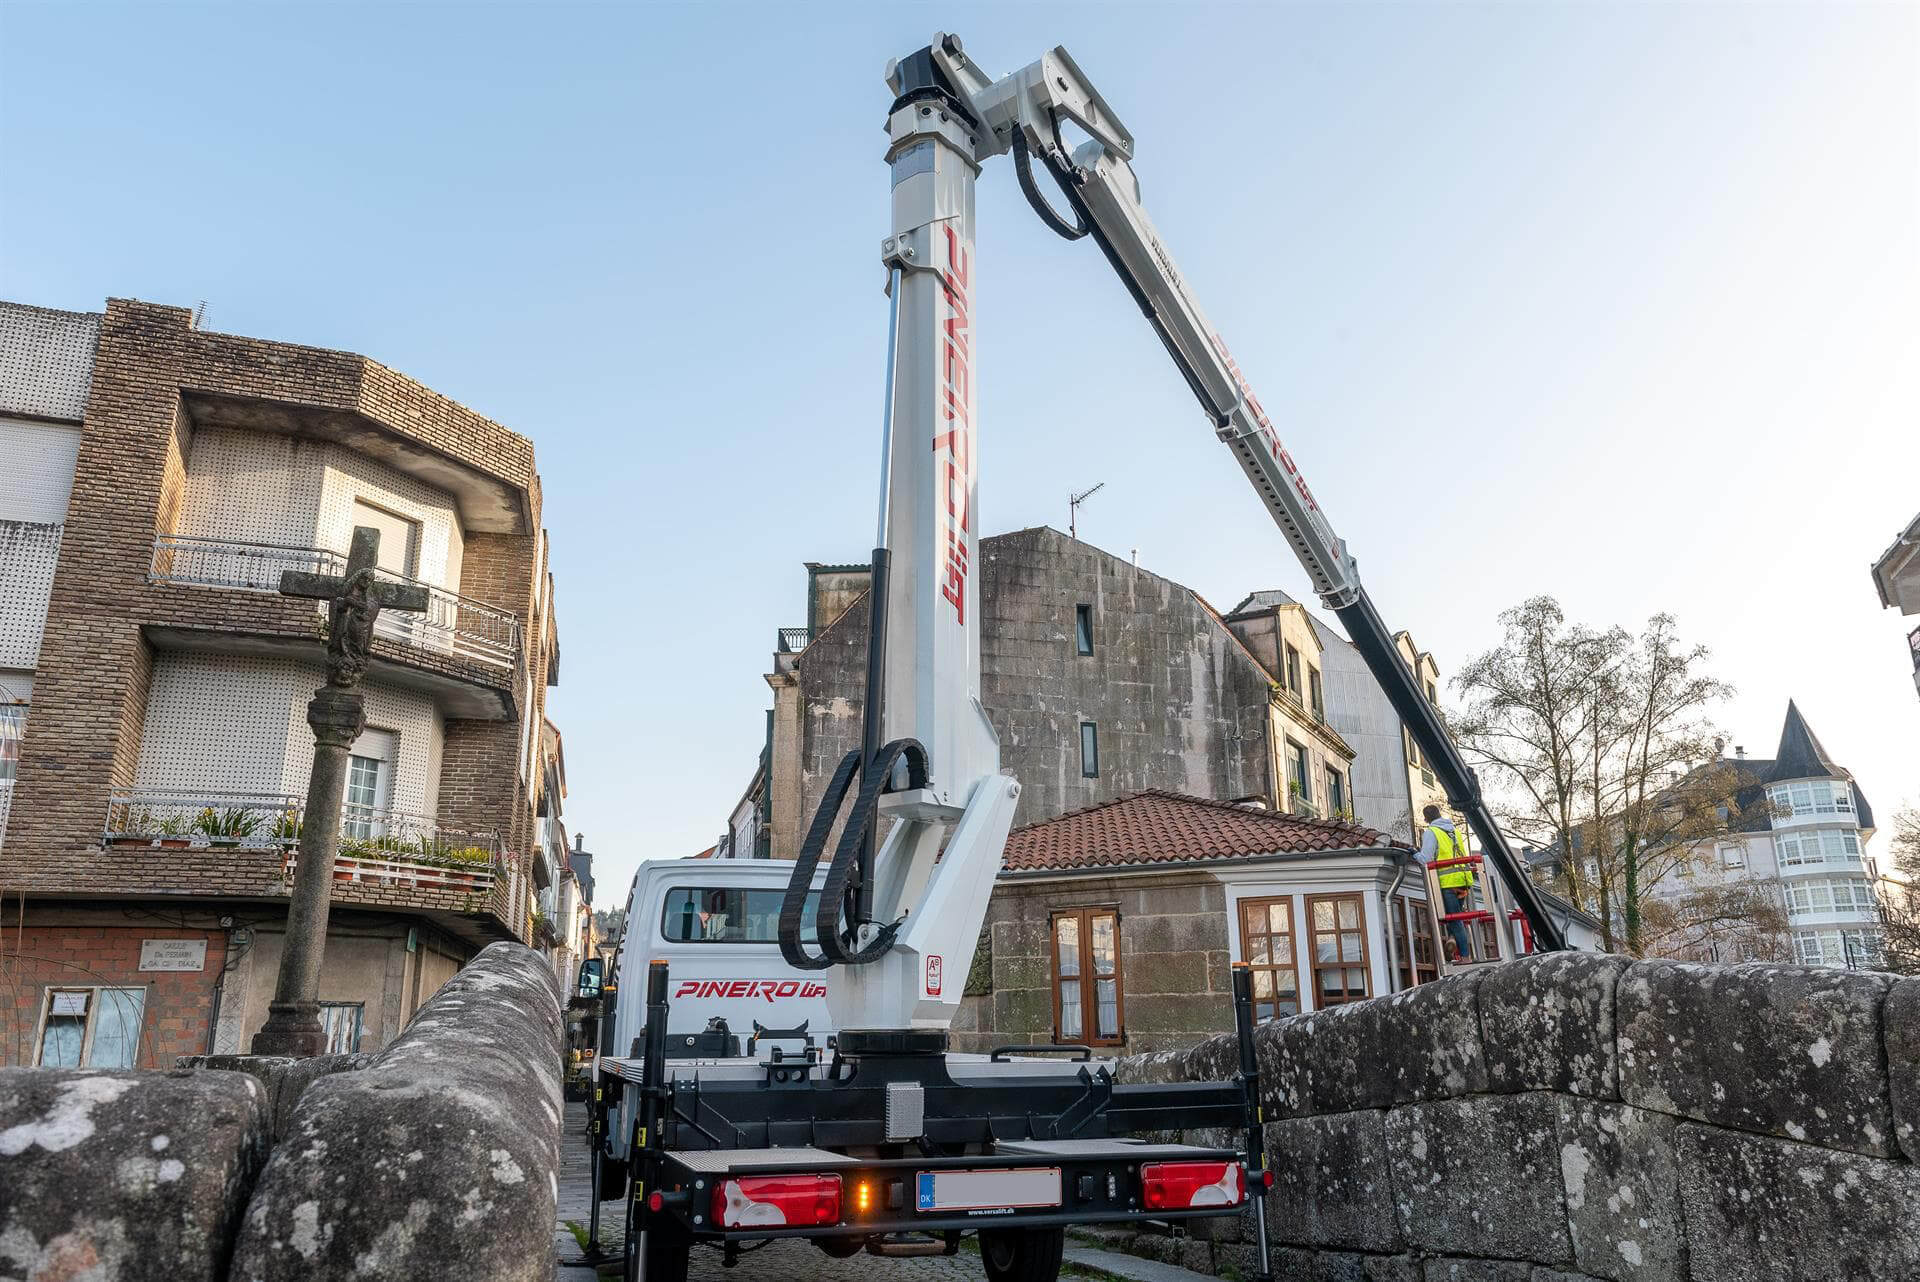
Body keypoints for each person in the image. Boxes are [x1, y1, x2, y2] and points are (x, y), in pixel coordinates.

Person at [1415, 804, 1476, 961]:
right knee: (1454, 915)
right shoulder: (1454, 831)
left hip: (1448, 882)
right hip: (1463, 880)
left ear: (1426, 819)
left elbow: (1425, 859)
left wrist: (1414, 853)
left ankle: (1465, 957)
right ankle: (1452, 938)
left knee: (1453, 919)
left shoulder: (1431, 832)